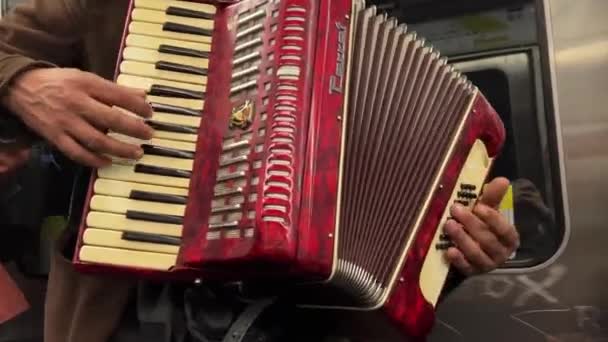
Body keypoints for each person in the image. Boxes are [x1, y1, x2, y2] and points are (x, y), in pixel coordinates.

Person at [0, 1, 520, 341]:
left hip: (313, 326)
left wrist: (468, 244)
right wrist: (23, 85)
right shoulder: (103, 6)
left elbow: (448, 212)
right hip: (135, 317)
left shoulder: (357, 34)